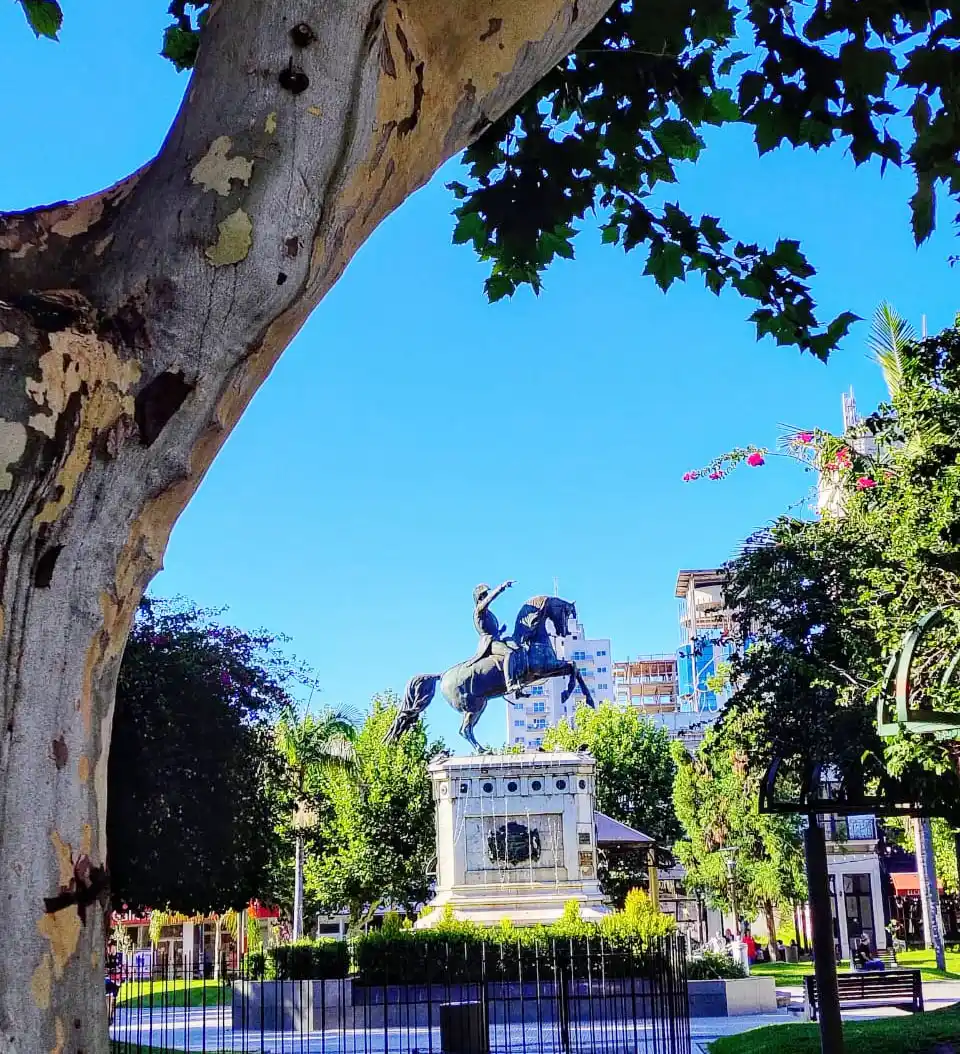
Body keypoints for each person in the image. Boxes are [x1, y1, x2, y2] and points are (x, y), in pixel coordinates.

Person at [471, 582, 525, 695]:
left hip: (496, 639)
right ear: (480, 597)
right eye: (485, 594)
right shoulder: (479, 610)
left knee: (517, 647)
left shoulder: (488, 613)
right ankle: (510, 685)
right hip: (489, 643)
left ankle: (519, 682)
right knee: (509, 653)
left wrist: (501, 631)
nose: (486, 596)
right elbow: (490, 599)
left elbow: (491, 630)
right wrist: (502, 587)